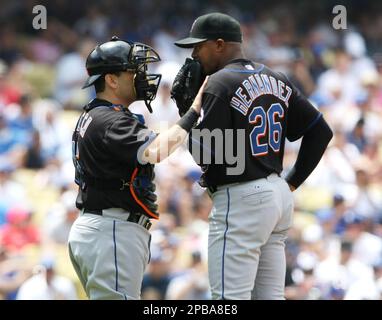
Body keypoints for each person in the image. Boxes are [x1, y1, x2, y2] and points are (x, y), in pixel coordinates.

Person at [173, 13, 333, 300]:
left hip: (241, 198)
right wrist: (292, 182)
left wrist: (189, 114)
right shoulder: (277, 77)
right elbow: (321, 132)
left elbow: (211, 154)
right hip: (277, 196)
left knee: (228, 300)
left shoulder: (218, 83)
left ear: (220, 44)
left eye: (199, 45)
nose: (194, 53)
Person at [68, 36, 208, 300]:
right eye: (133, 70)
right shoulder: (108, 119)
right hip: (111, 229)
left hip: (105, 227)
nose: (142, 76)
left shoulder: (98, 115)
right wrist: (193, 111)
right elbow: (157, 150)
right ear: (111, 79)